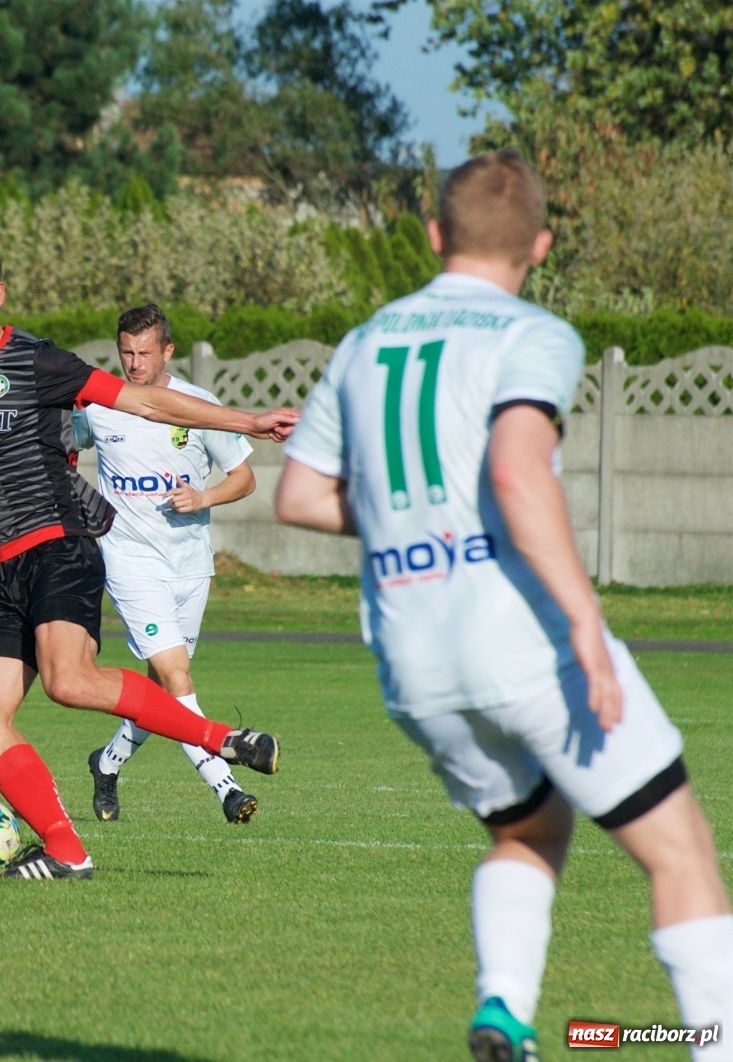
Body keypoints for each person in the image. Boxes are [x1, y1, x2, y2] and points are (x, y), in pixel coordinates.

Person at [274, 152, 732, 1061]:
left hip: (413, 657)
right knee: (681, 854)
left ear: (436, 236)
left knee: (531, 829)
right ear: (542, 244)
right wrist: (588, 631)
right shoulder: (534, 334)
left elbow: (297, 495)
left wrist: (419, 521)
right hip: (521, 642)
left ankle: (504, 1012)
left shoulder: (367, 341)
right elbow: (519, 470)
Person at [0, 236, 295, 880]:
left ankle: (220, 740)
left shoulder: (37, 361)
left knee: (69, 680)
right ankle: (68, 851)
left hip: (58, 546)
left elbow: (146, 400)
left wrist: (244, 421)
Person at [74, 304, 260, 825]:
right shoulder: (97, 406)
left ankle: (106, 764)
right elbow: (65, 442)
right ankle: (226, 786)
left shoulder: (199, 406)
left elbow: (245, 478)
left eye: (144, 354)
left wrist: (203, 498)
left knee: (163, 691)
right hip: (129, 562)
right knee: (177, 678)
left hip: (190, 566)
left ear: (168, 352)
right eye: (126, 353)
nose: (133, 364)